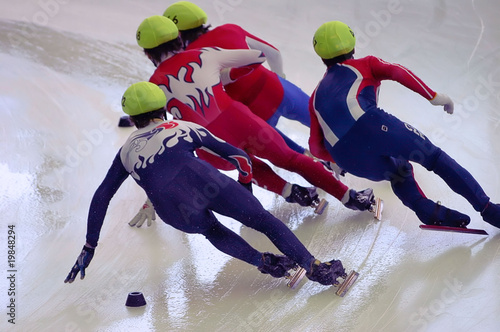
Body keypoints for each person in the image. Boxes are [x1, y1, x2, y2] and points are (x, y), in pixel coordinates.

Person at [64, 81, 346, 286]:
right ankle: (315, 267)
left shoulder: (125, 152)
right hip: (210, 183)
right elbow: (239, 157)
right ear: (162, 109)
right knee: (264, 221)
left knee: (211, 231)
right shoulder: (183, 126)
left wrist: (90, 245)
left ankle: (265, 263)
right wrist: (245, 188)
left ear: (132, 119)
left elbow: (101, 196)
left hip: (174, 209)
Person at [135, 15, 375, 216]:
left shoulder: (153, 86)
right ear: (178, 38)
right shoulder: (203, 54)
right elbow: (257, 57)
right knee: (291, 158)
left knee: (248, 165)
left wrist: (152, 197)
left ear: (147, 55)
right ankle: (350, 198)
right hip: (241, 122)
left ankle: (293, 193)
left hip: (209, 145)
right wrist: (223, 77)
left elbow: (157, 139)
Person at [308, 21, 500, 228]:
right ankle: (489, 210)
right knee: (434, 158)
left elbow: (315, 147)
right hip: (369, 124)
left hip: (344, 155)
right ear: (353, 45)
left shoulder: (315, 96)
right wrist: (434, 96)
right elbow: (398, 72)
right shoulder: (365, 64)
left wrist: (337, 159)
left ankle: (426, 210)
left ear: (321, 57)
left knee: (399, 171)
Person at [164, 1, 311, 155]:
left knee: (296, 156)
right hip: (278, 90)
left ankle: (317, 161)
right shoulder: (231, 29)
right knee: (328, 125)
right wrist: (280, 78)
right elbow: (274, 54)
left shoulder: (188, 59)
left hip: (253, 111)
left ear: (177, 34)